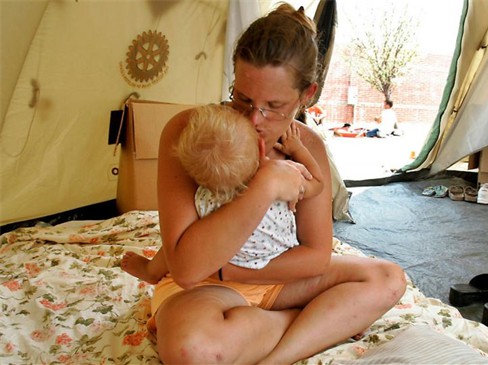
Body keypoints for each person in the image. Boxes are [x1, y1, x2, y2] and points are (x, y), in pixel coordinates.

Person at [149, 4, 406, 365]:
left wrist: (231, 269)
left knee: (388, 278)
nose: (255, 120)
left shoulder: (308, 145)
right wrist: (265, 185)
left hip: (277, 282)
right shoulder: (190, 132)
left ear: (307, 94)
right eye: (242, 99)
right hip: (204, 288)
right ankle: (319, 323)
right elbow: (188, 269)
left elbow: (316, 257)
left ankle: (278, 355)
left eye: (274, 106)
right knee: (193, 350)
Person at [121, 103, 324, 283]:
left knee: (178, 243)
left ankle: (151, 271)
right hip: (272, 258)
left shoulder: (204, 200)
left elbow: (181, 251)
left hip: (224, 258)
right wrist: (298, 149)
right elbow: (317, 183)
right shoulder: (282, 178)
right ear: (261, 149)